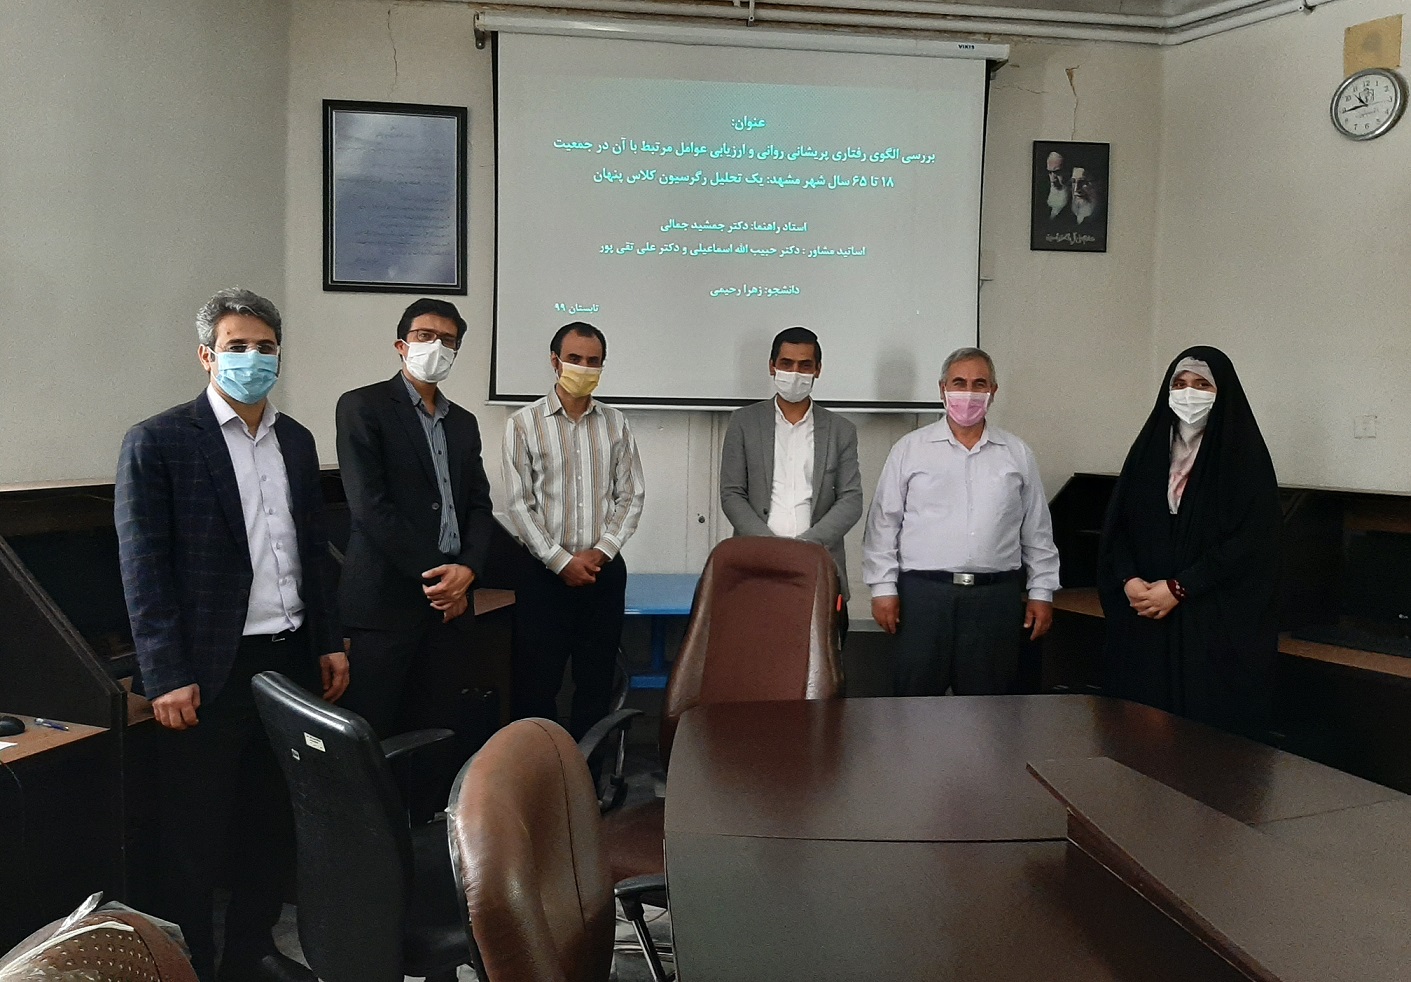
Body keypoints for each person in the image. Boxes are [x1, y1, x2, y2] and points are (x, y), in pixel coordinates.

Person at [115, 288, 348, 982]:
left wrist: (328, 640)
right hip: (207, 673)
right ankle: (190, 965)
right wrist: (165, 673)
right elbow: (143, 567)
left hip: (289, 660)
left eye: (265, 347)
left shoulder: (296, 441)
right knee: (195, 836)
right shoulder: (158, 441)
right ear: (206, 355)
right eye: (237, 346)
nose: (253, 358)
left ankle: (252, 953)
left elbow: (312, 553)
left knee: (272, 824)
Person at [334, 299, 496, 739]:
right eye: (425, 336)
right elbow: (370, 507)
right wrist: (442, 577)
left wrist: (468, 570)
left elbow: (479, 506)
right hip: (385, 604)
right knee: (374, 734)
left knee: (438, 731)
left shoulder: (463, 423)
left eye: (448, 340)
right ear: (401, 345)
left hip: (449, 608)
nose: (436, 346)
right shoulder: (362, 406)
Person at [1098, 346, 1280, 736]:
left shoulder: (1242, 457)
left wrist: (1180, 588)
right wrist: (1129, 580)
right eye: (1179, 384)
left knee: (1199, 740)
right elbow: (1120, 525)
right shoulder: (1149, 449)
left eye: (1202, 385)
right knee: (1140, 734)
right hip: (1145, 612)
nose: (1188, 393)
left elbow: (1249, 541)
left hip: (1208, 622)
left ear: (1222, 393)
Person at [862, 346, 1059, 696]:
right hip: (923, 597)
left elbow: (1037, 531)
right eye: (959, 383)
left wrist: (1042, 592)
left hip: (995, 600)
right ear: (942, 389)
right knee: (914, 708)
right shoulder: (910, 449)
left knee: (989, 711)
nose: (968, 393)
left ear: (993, 391)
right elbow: (883, 524)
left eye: (979, 384)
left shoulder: (1016, 453)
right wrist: (882, 589)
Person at [502, 321, 645, 738]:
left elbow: (631, 496)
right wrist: (559, 561)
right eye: (574, 358)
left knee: (596, 685)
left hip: (603, 573)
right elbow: (519, 504)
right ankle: (541, 771)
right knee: (536, 687)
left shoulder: (616, 424)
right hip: (542, 576)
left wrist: (602, 551)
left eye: (593, 361)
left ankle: (589, 773)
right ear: (555, 361)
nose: (584, 367)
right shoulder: (523, 424)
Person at [719, 326, 863, 639]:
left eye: (804, 365)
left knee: (816, 660)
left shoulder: (841, 430)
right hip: (756, 564)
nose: (795, 373)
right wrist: (769, 546)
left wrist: (808, 544)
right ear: (772, 367)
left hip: (817, 564)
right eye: (786, 364)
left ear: (818, 370)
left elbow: (851, 500)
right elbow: (731, 494)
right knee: (755, 654)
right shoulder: (743, 422)